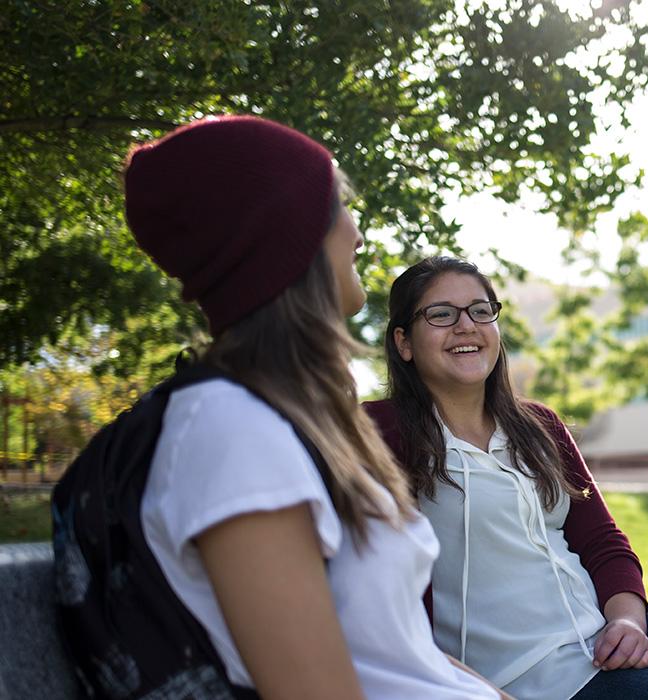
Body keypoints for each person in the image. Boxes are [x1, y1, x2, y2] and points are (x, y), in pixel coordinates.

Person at [117, 116, 502, 699]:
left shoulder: (297, 417)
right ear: (285, 235)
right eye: (339, 205)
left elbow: (404, 654)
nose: (357, 232)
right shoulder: (230, 428)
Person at [365, 256, 648, 699]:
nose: (466, 325)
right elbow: (377, 594)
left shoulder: (539, 426)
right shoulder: (378, 434)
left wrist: (626, 622)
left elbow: (602, 540)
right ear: (404, 342)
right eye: (441, 314)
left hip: (597, 639)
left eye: (480, 311)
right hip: (531, 676)